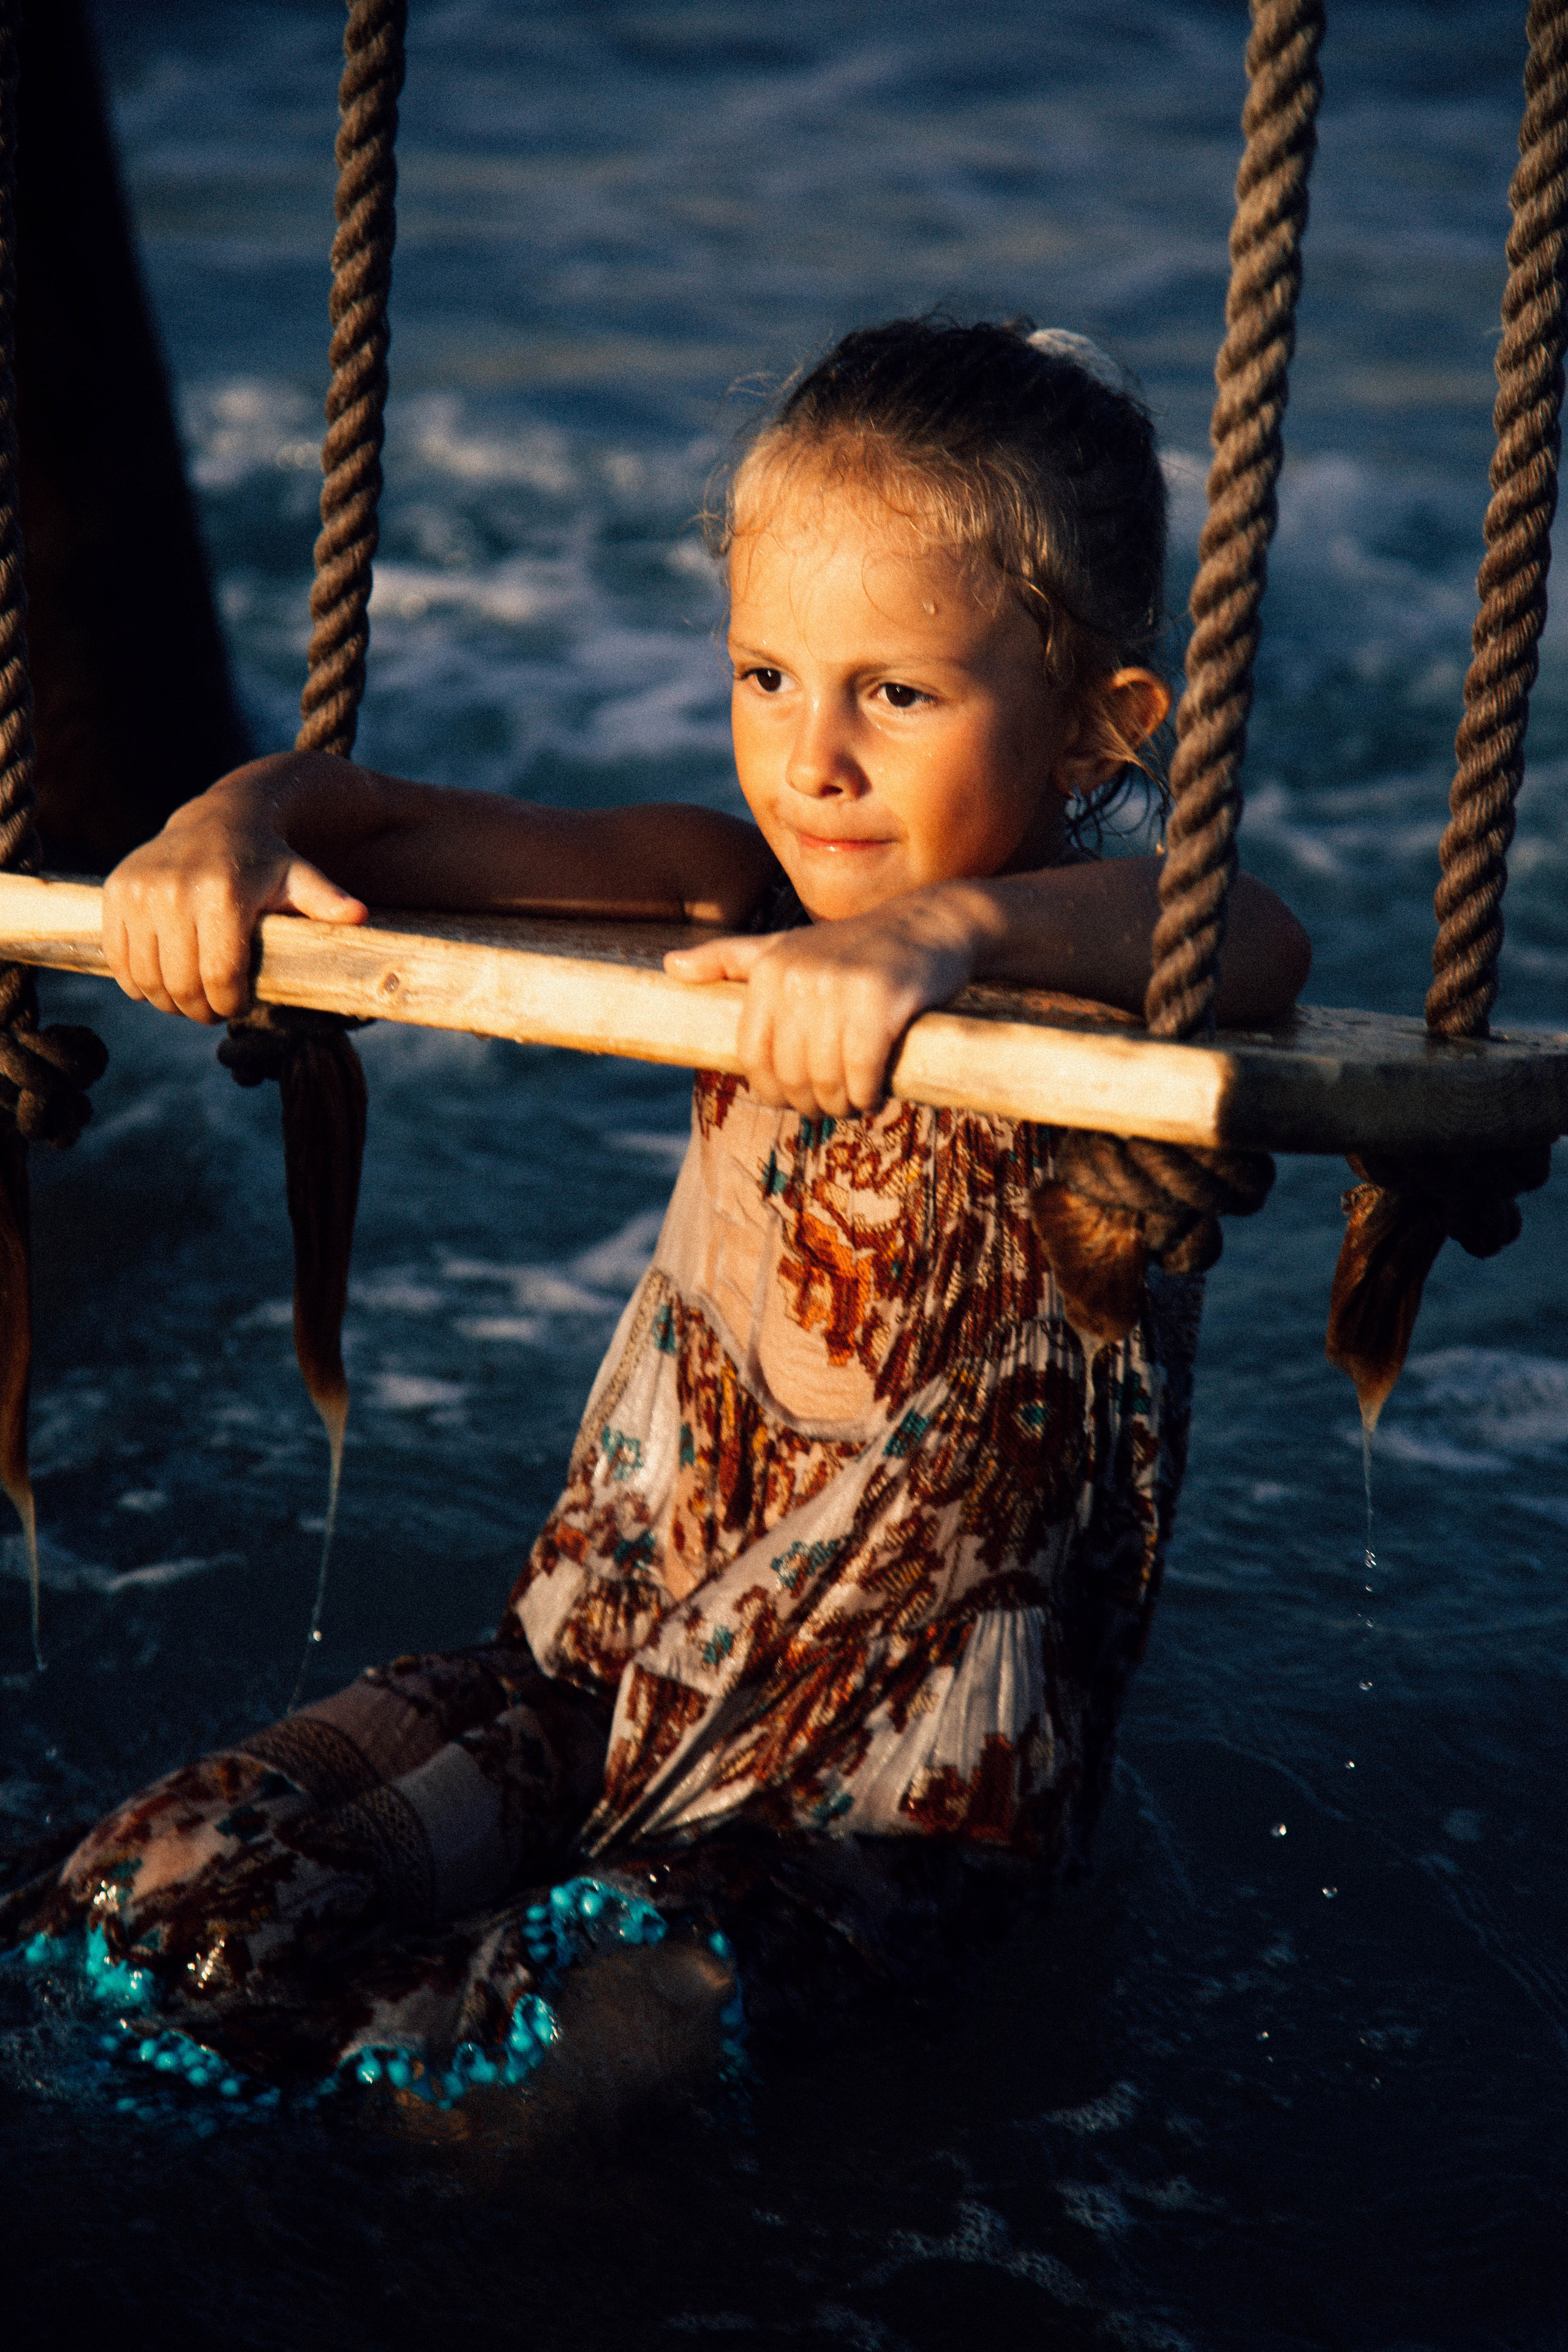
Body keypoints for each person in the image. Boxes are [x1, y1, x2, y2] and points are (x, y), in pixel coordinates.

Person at [7, 318, 1310, 2092]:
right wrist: (234, 822)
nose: (814, 757)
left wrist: (941, 936)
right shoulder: (728, 887)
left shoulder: (1101, 968)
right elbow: (380, 827)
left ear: (1099, 723)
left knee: (562, 2070)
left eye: (896, 693)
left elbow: (1253, 934)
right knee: (140, 1902)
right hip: (596, 1671)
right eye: (765, 675)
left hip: (890, 1795)